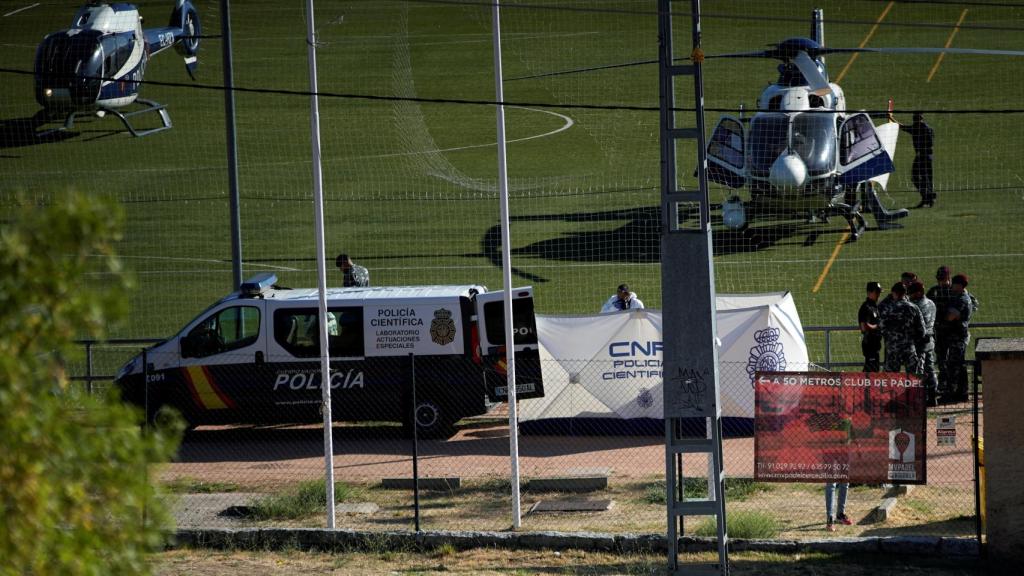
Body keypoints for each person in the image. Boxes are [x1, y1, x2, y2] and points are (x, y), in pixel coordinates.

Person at [940, 274, 975, 403]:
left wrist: (943, 316)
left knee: (954, 366)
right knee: (959, 366)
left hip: (958, 337)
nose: (951, 286)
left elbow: (951, 316)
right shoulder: (963, 297)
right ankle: (962, 393)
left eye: (954, 284)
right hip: (959, 336)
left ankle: (952, 395)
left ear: (960, 285)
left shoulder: (962, 299)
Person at [879, 282, 926, 374]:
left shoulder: (888, 308)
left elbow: (881, 327)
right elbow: (922, 331)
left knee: (891, 379)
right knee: (913, 377)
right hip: (909, 348)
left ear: (894, 293)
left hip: (893, 348)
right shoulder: (914, 308)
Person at [896, 112, 935, 208]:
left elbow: (902, 127)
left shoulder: (917, 128)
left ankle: (927, 197)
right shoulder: (928, 128)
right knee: (927, 178)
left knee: (916, 177)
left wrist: (892, 119)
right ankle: (929, 197)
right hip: (929, 156)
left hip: (922, 156)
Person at [908, 280, 938, 405]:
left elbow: (917, 326)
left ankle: (918, 399)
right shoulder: (931, 303)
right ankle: (933, 396)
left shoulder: (916, 306)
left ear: (919, 292)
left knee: (918, 370)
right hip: (930, 340)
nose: (910, 295)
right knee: (930, 369)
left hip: (919, 341)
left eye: (912, 293)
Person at [928, 266, 955, 394]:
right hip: (939, 332)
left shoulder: (955, 291)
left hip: (953, 332)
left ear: (949, 278)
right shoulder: (933, 291)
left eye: (943, 279)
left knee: (952, 360)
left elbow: (973, 305)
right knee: (941, 359)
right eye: (939, 279)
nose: (941, 281)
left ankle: (951, 386)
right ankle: (944, 385)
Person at [858, 281, 883, 373]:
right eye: (877, 292)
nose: (879, 294)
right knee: (871, 371)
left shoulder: (874, 306)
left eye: (879, 292)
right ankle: (860, 387)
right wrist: (877, 326)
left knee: (873, 369)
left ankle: (862, 387)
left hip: (875, 344)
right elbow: (863, 326)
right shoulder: (866, 307)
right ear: (870, 292)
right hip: (870, 343)